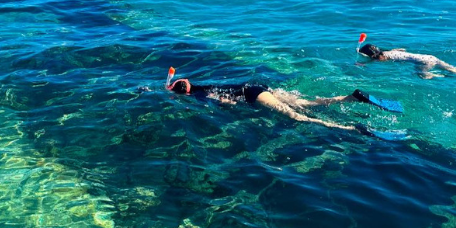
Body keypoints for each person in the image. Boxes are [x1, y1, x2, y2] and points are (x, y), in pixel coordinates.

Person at [167, 76, 400, 134]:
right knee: (308, 103)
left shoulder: (201, 96)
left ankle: (350, 129)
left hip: (255, 96)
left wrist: (228, 108)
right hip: (259, 87)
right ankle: (351, 97)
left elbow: (226, 101)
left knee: (297, 117)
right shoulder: (201, 85)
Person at [358, 43, 456, 92]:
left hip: (424, 63)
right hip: (429, 57)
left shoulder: (380, 58)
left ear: (372, 55)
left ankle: (451, 77)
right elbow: (402, 50)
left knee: (423, 76)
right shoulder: (389, 52)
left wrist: (362, 63)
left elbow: (378, 61)